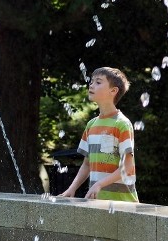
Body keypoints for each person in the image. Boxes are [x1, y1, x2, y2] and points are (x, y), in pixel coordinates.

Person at [59, 67, 139, 202]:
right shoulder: (91, 125)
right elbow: (87, 165)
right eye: (91, 81)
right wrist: (72, 188)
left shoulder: (122, 124)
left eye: (98, 82)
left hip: (123, 203)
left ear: (113, 91)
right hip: (98, 201)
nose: (91, 84)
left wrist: (99, 184)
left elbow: (128, 167)